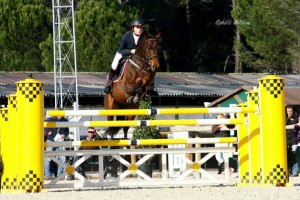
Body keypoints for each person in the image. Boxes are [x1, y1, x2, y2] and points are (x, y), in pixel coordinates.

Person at [103, 18, 145, 95]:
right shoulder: (127, 36)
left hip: (137, 58)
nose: (140, 29)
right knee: (114, 64)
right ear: (133, 28)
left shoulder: (144, 38)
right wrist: (130, 51)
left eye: (141, 28)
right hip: (123, 54)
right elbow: (120, 50)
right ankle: (109, 83)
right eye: (138, 27)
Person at [44, 115, 69, 180]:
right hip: (51, 139)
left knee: (62, 159)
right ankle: (47, 175)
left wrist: (64, 135)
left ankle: (59, 175)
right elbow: (44, 123)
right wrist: (47, 132)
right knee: (48, 158)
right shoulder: (51, 119)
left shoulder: (65, 121)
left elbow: (67, 131)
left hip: (59, 141)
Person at [285, 105, 300, 176]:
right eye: (288, 111)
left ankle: (295, 172)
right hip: (286, 138)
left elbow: (297, 123)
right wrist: (289, 120)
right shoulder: (284, 117)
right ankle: (288, 171)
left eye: (290, 111)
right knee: (287, 155)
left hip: (294, 138)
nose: (289, 113)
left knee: (293, 154)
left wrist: (288, 125)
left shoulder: (296, 115)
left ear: (293, 111)